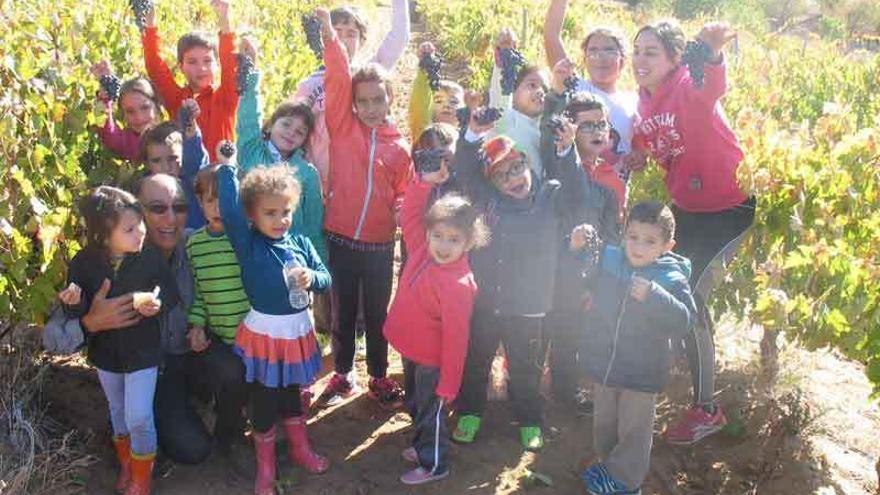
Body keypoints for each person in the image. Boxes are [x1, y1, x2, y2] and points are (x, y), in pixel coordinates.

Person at [630, 20, 756, 444]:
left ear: (674, 59)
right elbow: (644, 144)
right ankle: (675, 364)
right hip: (687, 211)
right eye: (638, 50)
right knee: (673, 290)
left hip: (728, 209)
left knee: (691, 300)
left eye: (652, 52)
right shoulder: (644, 103)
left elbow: (710, 87)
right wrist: (629, 158)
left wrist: (713, 51)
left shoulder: (686, 82)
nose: (640, 59)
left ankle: (707, 410)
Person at [450, 107, 591, 451]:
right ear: (492, 183)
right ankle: (470, 412)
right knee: (477, 360)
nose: (514, 178)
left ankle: (530, 419)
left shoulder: (551, 197)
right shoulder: (487, 205)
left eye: (517, 167)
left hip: (529, 306)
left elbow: (578, 194)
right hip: (487, 303)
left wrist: (566, 150)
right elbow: (465, 173)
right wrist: (471, 137)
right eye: (502, 175)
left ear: (528, 163)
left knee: (527, 368)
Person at [313, 8, 413, 409]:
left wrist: (403, 210)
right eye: (363, 101)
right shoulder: (342, 127)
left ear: (390, 99)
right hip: (340, 237)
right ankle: (342, 372)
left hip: (378, 244)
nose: (371, 107)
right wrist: (330, 38)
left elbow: (403, 191)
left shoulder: (399, 147)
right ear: (351, 103)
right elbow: (337, 77)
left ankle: (378, 375)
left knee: (376, 314)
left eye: (378, 100)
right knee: (342, 312)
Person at [79, 175, 214, 467]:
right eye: (157, 208)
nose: (170, 217)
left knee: (228, 372)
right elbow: (54, 334)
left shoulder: (200, 246)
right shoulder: (100, 262)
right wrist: (90, 323)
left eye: (179, 207)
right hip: (137, 365)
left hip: (182, 362)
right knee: (185, 445)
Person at [216, 162, 330, 495]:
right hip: (265, 335)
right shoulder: (248, 243)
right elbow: (229, 208)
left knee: (292, 393)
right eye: (270, 213)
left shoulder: (301, 243)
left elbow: (326, 278)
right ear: (251, 214)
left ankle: (299, 449)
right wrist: (226, 169)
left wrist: (313, 278)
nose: (280, 220)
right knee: (263, 399)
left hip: (295, 333)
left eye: (286, 211)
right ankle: (266, 467)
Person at [59, 186, 179, 495]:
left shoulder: (150, 258)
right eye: (129, 229)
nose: (140, 232)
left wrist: (157, 303)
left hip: (143, 352)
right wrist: (72, 302)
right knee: (117, 411)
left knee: (138, 415)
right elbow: (83, 309)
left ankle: (142, 479)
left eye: (140, 225)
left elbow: (169, 293)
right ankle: (128, 465)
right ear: (103, 234)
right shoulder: (84, 263)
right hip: (106, 353)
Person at [580, 201, 696, 495]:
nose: (638, 247)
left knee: (634, 432)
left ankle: (626, 483)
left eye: (649, 241)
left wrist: (655, 296)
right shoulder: (611, 260)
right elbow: (587, 275)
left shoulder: (671, 278)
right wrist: (578, 246)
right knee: (605, 425)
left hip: (641, 374)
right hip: (606, 365)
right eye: (633, 237)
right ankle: (609, 470)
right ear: (624, 233)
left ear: (667, 246)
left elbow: (685, 319)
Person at [384, 157, 488, 485]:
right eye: (439, 235)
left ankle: (435, 463)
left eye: (454, 239)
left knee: (434, 413)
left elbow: (458, 340)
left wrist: (449, 384)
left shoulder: (458, 285)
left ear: (469, 242)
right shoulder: (421, 249)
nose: (443, 245)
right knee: (417, 406)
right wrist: (423, 183)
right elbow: (413, 214)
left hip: (434, 364)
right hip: (413, 353)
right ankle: (423, 444)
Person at [541, 60, 621, 408]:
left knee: (570, 332)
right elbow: (554, 144)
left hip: (582, 273)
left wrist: (599, 283)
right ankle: (526, 385)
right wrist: (557, 93)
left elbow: (612, 236)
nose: (596, 130)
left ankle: (565, 392)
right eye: (586, 125)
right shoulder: (556, 164)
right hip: (550, 264)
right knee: (541, 330)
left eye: (601, 123)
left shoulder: (612, 179)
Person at [296, 0, 410, 190]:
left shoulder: (367, 75)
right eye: (336, 31)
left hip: (359, 180)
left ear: (362, 41)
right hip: (317, 179)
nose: (341, 39)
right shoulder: (308, 84)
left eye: (350, 34)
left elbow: (398, 38)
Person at [236, 37, 327, 264]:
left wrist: (318, 266)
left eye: (300, 132)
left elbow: (314, 225)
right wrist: (252, 71)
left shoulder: (307, 173)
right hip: (249, 252)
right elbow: (248, 115)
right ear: (270, 125)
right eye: (286, 124)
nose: (290, 133)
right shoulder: (252, 151)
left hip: (290, 260)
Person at [544, 0, 643, 202]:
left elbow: (640, 148)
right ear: (585, 59)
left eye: (609, 50)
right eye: (593, 51)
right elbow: (551, 37)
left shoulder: (636, 102)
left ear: (622, 59)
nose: (600, 57)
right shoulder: (575, 86)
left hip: (614, 200)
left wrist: (640, 157)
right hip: (571, 192)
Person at [185, 164, 250, 463]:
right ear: (200, 203)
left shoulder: (246, 239)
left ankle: (252, 429)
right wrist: (197, 325)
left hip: (252, 335)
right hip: (220, 337)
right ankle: (229, 438)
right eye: (210, 200)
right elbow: (199, 294)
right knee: (231, 377)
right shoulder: (195, 245)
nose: (218, 207)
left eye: (226, 199)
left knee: (251, 382)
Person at [140, 0, 238, 160]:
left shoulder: (226, 98)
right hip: (185, 179)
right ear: (181, 66)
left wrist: (225, 22)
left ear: (218, 64)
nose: (202, 68)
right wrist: (150, 24)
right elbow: (155, 67)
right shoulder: (176, 99)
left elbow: (231, 66)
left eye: (207, 61)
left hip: (220, 178)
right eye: (192, 62)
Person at [138, 100, 209, 230]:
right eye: (156, 161)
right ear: (147, 163)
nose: (165, 167)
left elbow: (195, 160)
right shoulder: (145, 191)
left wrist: (191, 133)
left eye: (172, 158)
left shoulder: (191, 182)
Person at [488, 28, 548, 178]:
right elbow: (500, 95)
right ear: (513, 92)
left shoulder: (546, 129)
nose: (540, 91)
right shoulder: (507, 120)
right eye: (532, 85)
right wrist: (505, 55)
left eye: (546, 89)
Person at [91, 60, 162, 162]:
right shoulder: (127, 141)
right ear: (123, 114)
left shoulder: (172, 137)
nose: (139, 117)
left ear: (156, 106)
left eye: (145, 108)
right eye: (130, 111)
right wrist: (105, 96)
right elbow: (107, 132)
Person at [408, 41, 466, 140]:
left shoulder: (467, 141)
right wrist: (425, 68)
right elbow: (420, 104)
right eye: (438, 101)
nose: (446, 106)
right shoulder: (425, 135)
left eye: (454, 102)